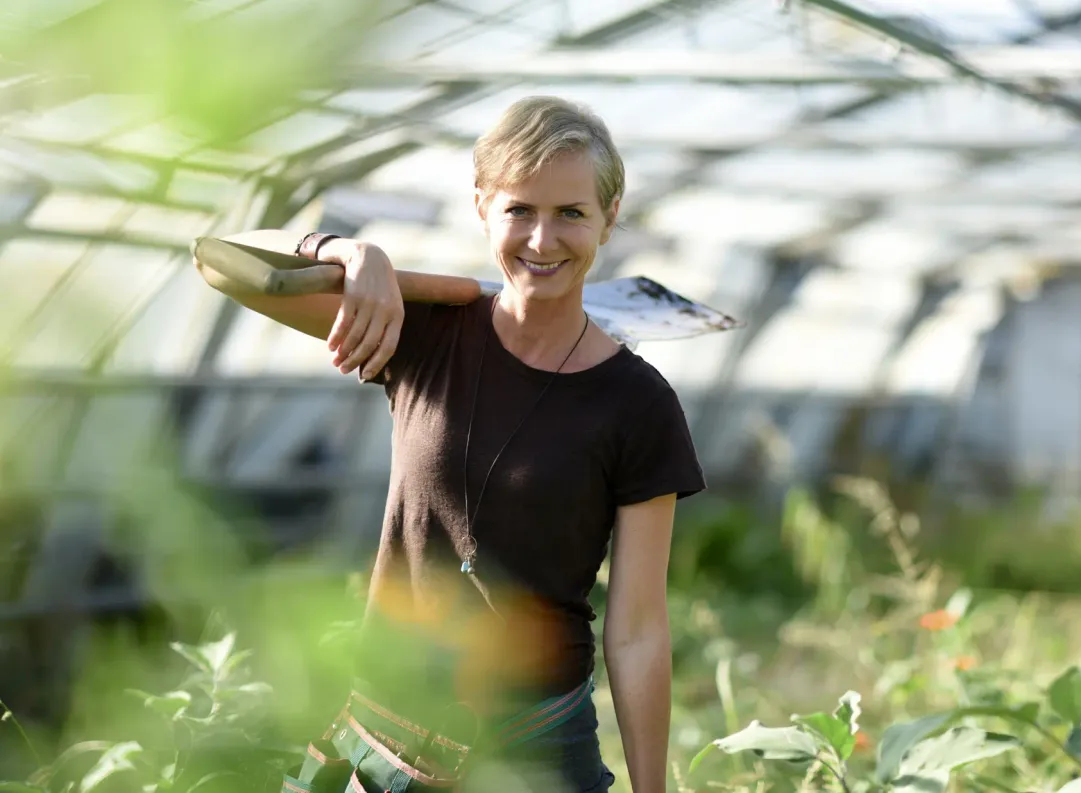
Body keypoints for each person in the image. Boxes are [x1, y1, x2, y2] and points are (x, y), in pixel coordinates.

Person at [195, 96, 706, 792]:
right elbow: (220, 259)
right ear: (482, 206)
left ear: (609, 219)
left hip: (535, 745)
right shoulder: (425, 333)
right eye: (519, 209)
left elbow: (639, 627)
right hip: (383, 738)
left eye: (571, 213)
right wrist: (351, 254)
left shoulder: (639, 404)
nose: (541, 239)